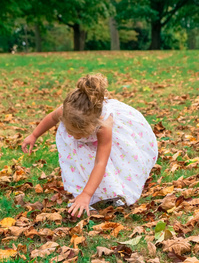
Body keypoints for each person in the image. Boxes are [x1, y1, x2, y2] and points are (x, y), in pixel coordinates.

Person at [22, 73, 158, 218]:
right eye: (70, 131)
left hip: (110, 141)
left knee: (112, 163)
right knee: (80, 159)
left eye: (79, 133)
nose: (74, 137)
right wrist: (34, 135)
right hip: (86, 137)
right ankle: (80, 191)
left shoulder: (104, 125)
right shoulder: (67, 110)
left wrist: (86, 194)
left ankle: (112, 190)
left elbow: (101, 162)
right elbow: (51, 118)